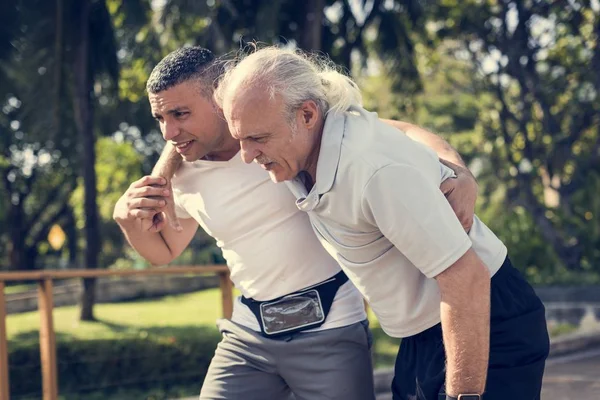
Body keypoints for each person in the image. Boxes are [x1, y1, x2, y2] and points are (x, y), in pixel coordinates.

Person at [114, 46, 479, 400]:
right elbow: (164, 251)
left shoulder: (285, 128)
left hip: (332, 325)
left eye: (180, 114)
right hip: (249, 334)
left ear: (218, 97)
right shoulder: (180, 173)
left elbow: (403, 132)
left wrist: (459, 171)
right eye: (161, 118)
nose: (168, 132)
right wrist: (128, 222)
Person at [214, 46, 550, 400]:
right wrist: (457, 167)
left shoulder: (373, 172)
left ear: (307, 114)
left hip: (485, 319)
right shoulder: (325, 135)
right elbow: (404, 129)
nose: (248, 156)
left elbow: (467, 279)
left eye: (258, 139)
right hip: (425, 331)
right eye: (241, 139)